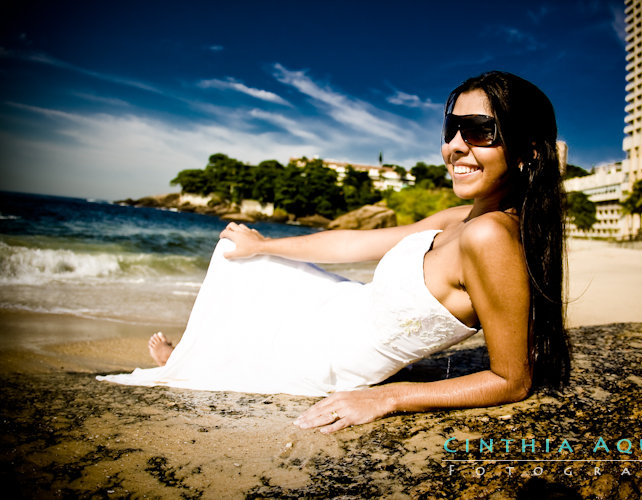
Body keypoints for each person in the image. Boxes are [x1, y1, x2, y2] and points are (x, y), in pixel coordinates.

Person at [98, 71, 570, 433]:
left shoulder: (489, 237)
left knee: (257, 284)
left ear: (527, 151)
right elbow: (356, 242)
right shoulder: (460, 218)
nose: (454, 146)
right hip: (344, 308)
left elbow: (512, 379)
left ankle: (198, 361)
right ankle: (200, 352)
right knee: (245, 257)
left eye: (479, 131)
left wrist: (389, 398)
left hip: (334, 356)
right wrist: (265, 244)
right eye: (451, 129)